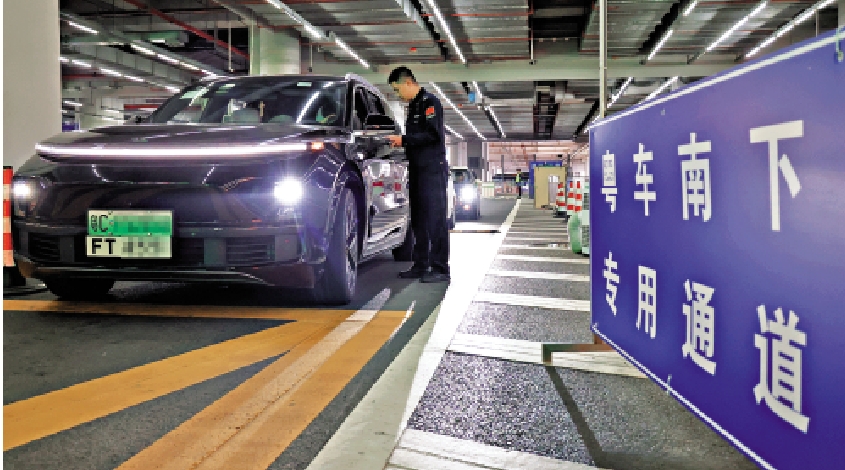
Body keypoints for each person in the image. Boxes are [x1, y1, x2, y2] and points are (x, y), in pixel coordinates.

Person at [387, 66, 450, 283]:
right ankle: (421, 264)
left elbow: (432, 135)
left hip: (432, 169)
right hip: (416, 169)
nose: (397, 94)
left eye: (397, 90)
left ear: (408, 83)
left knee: (435, 220)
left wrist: (403, 140)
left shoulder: (429, 102)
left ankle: (440, 268)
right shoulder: (413, 106)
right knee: (419, 221)